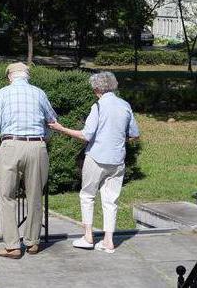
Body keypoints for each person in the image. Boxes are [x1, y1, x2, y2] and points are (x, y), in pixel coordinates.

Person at [49, 72, 139, 254]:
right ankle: (108, 241)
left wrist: (61, 129)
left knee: (87, 195)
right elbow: (134, 134)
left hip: (96, 158)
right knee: (111, 200)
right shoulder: (125, 105)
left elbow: (85, 135)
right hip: (117, 160)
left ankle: (88, 237)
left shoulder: (98, 106)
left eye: (94, 89)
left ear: (98, 89)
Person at [0, 62, 57, 259]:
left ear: (9, 77)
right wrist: (43, 138)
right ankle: (33, 242)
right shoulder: (39, 93)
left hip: (10, 146)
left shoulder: (3, 93)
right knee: (35, 196)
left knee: (6, 196)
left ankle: (13, 246)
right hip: (37, 147)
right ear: (27, 76)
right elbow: (52, 121)